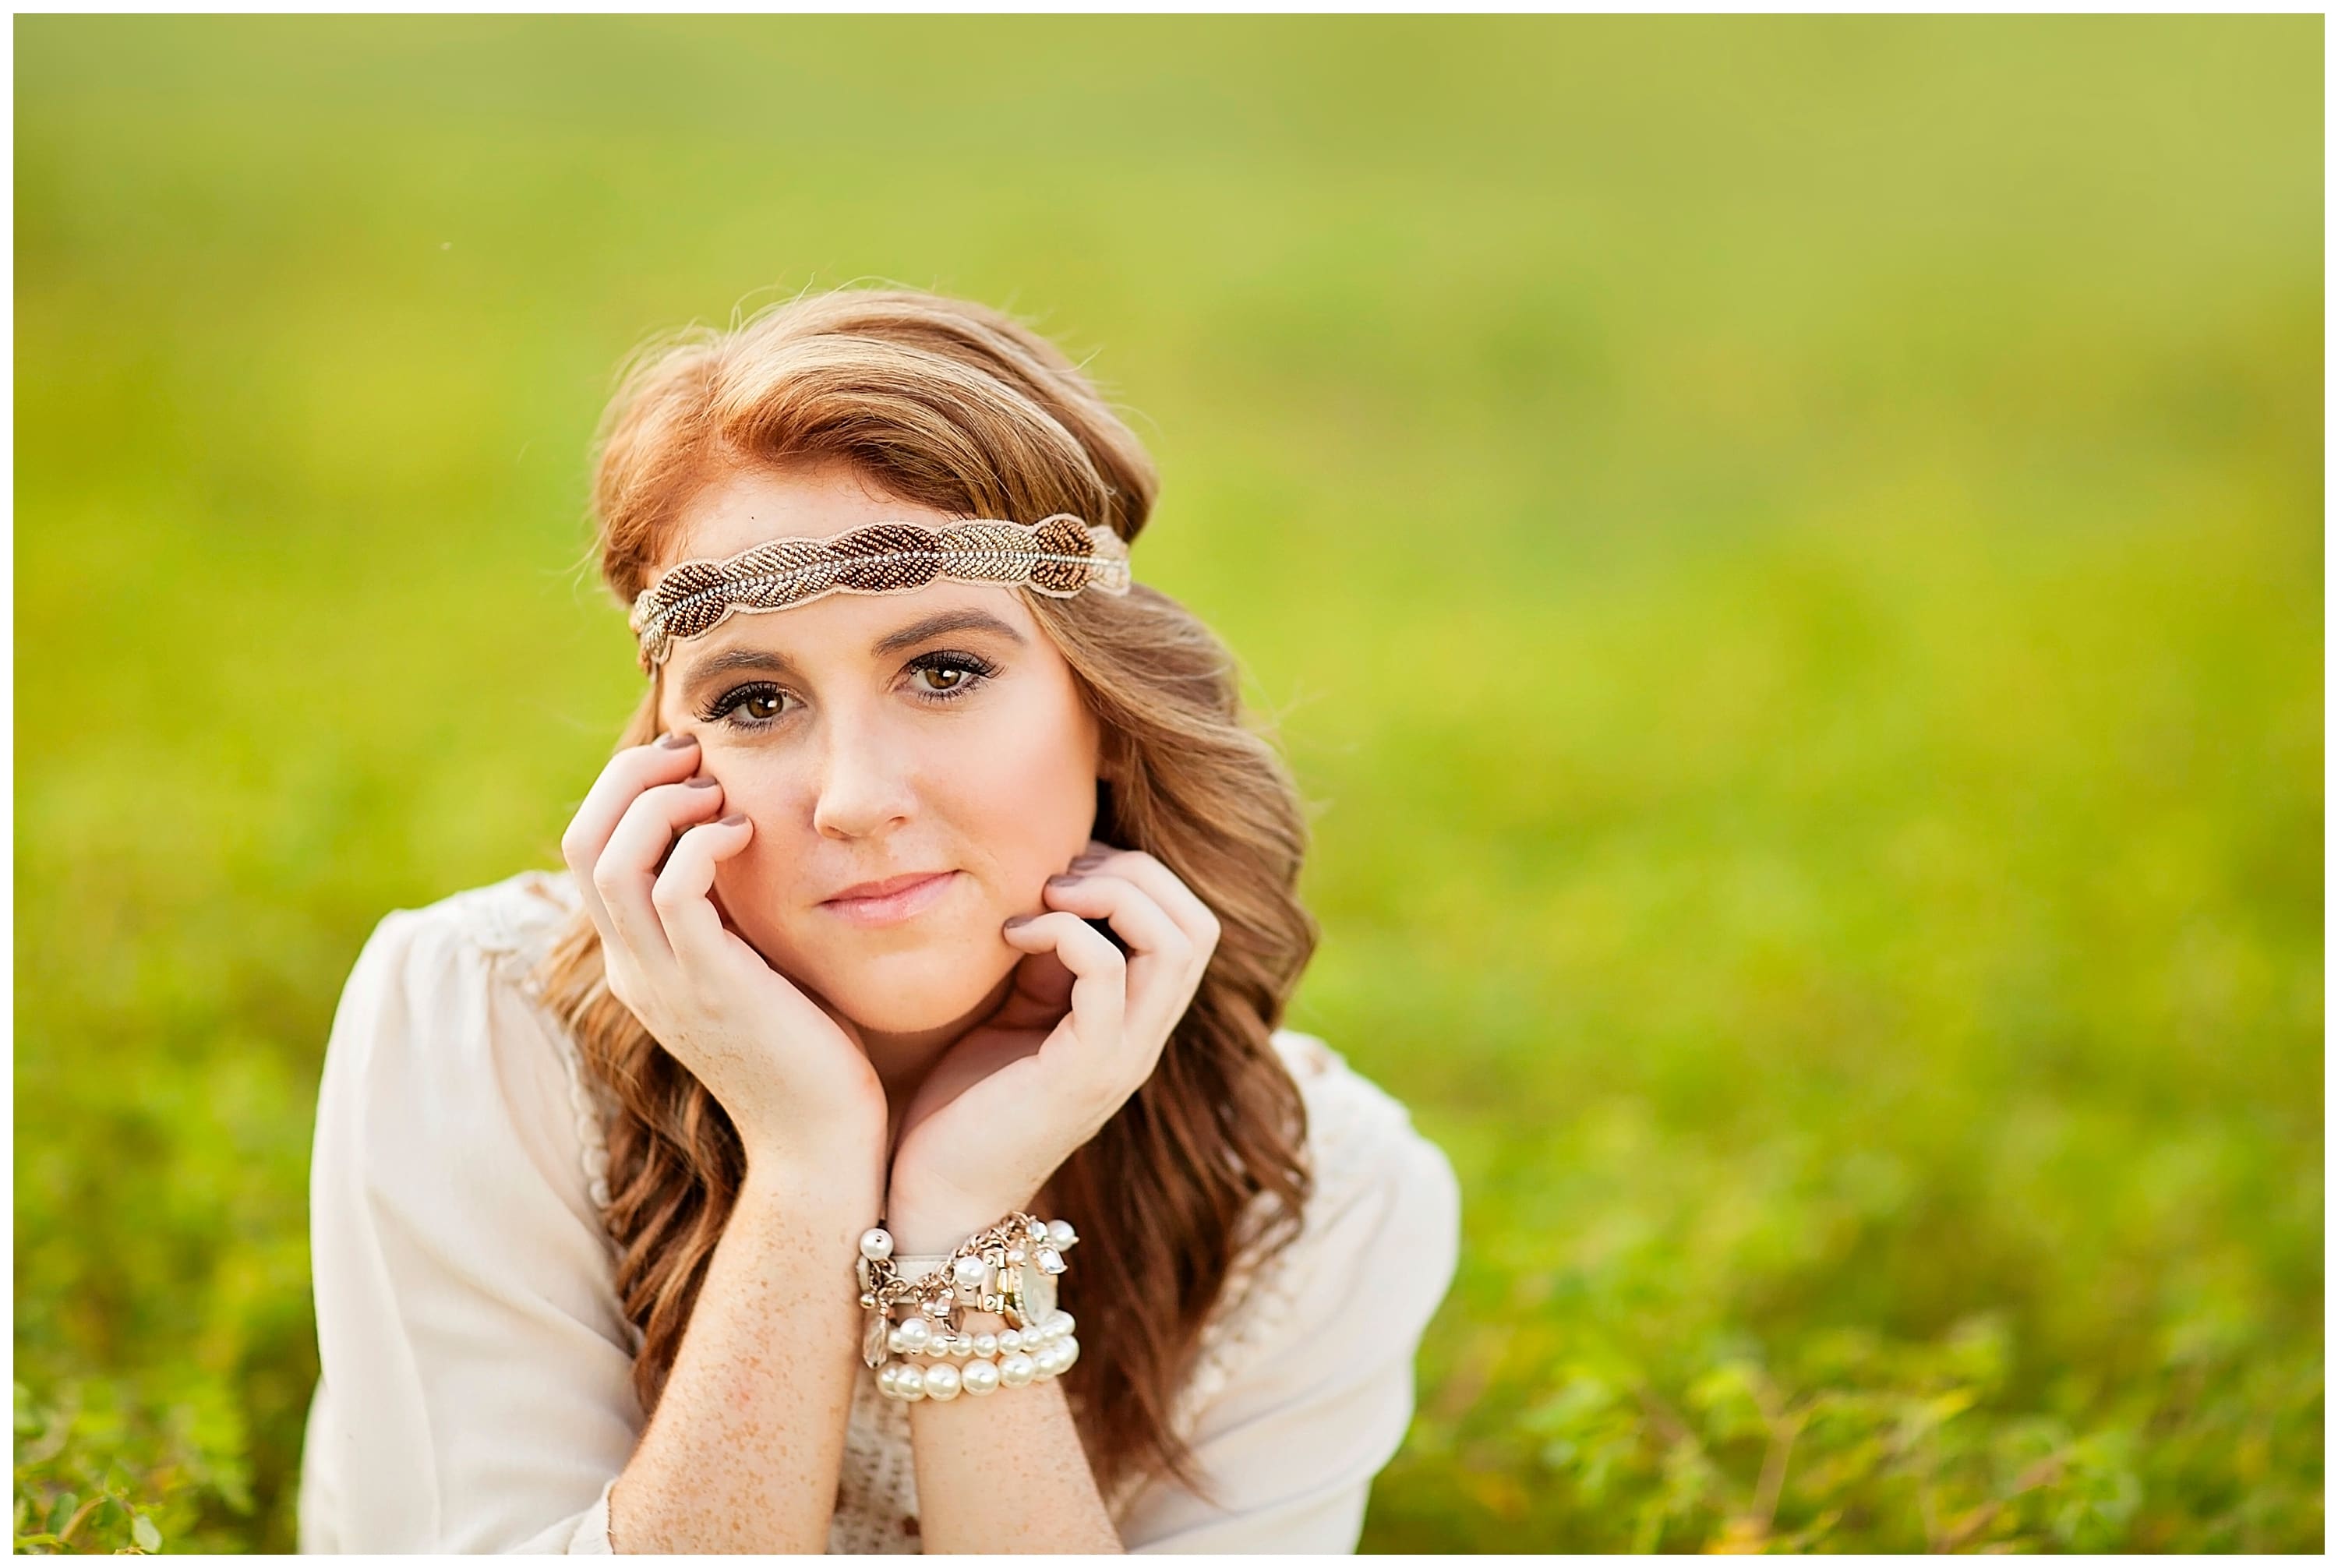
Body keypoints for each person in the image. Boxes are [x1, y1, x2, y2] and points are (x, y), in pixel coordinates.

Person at [296, 285, 1460, 1553]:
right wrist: (806, 1166)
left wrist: (965, 1220)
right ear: (666, 761)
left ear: (1107, 710)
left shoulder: (1325, 1199)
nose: (853, 798)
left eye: (946, 671)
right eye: (752, 699)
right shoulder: (476, 1022)